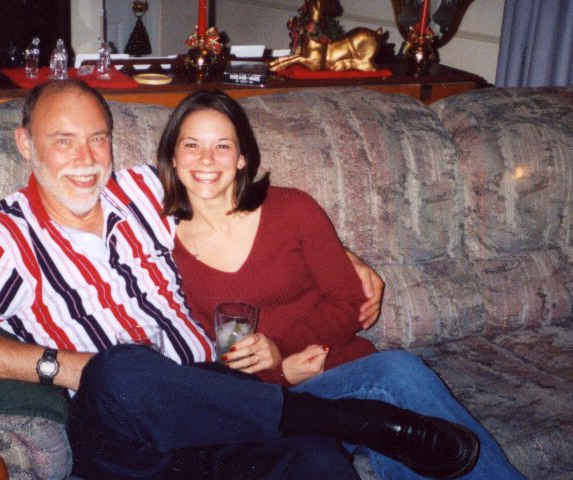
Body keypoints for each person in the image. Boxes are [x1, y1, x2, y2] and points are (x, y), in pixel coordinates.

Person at [0, 79, 479, 480]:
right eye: (63, 140)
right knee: (120, 369)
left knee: (318, 463)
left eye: (97, 138)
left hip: (219, 404)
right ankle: (351, 420)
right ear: (26, 144)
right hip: (122, 430)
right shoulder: (3, 234)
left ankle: (322, 427)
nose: (85, 158)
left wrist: (345, 255)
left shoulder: (140, 192)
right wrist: (64, 366)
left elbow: (229, 198)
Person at [160, 89, 526, 479]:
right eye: (192, 145)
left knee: (399, 387)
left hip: (347, 374)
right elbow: (202, 360)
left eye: (222, 146)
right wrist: (278, 374)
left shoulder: (292, 209)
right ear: (173, 156)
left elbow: (350, 300)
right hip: (274, 406)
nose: (206, 159)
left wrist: (281, 349)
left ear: (242, 157)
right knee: (398, 380)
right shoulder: (159, 244)